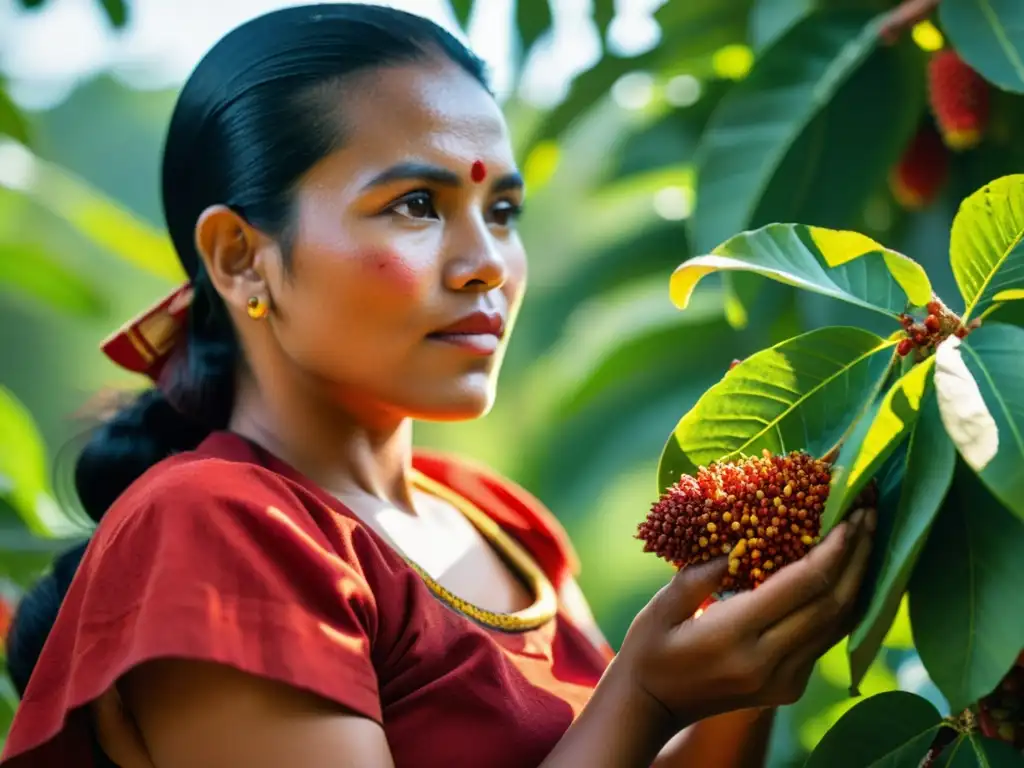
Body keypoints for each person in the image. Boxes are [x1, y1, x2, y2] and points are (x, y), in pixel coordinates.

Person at [0, 5, 876, 767]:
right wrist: (644, 696)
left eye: (502, 212)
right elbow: (632, 723)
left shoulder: (499, 519)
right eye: (416, 204)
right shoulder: (214, 526)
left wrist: (759, 646)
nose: (487, 265)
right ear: (241, 257)